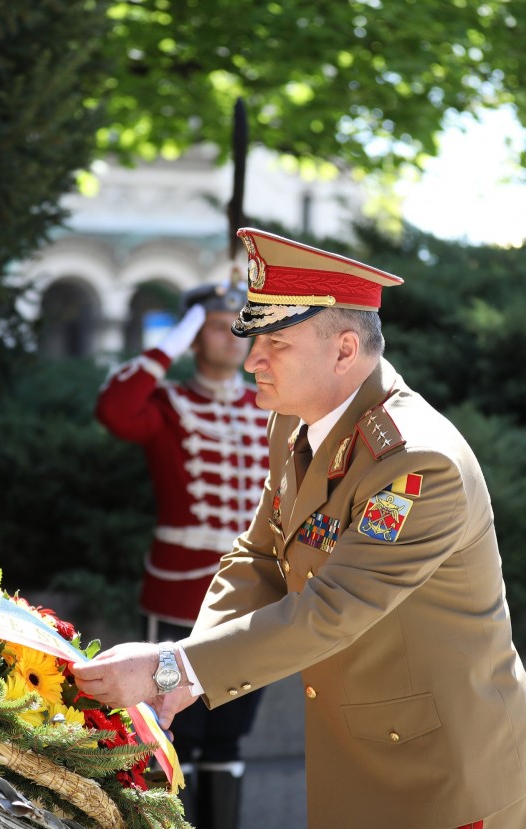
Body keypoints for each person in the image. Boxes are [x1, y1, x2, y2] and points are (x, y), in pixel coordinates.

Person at [74, 227, 526, 829]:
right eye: (252, 338)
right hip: (365, 756)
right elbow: (259, 555)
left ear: (344, 350)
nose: (252, 359)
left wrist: (173, 666)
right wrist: (188, 674)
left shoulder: (416, 462)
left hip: (441, 779)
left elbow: (334, 606)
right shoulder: (294, 423)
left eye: (276, 343)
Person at [95, 281, 269, 829]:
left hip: (254, 597)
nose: (231, 336)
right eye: (216, 325)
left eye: (238, 324)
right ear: (195, 336)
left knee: (229, 735)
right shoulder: (169, 403)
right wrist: (177, 334)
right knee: (171, 729)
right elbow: (116, 410)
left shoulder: (268, 405)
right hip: (179, 591)